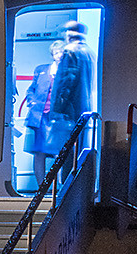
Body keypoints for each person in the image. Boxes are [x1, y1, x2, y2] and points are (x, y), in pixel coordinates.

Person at [43, 20, 94, 171]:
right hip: (83, 110)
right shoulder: (89, 52)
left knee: (66, 156)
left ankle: (65, 192)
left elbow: (66, 82)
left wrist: (57, 110)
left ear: (69, 34)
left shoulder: (70, 51)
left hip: (69, 113)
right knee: (80, 154)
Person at [21, 61, 57, 184]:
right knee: (39, 152)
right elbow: (31, 89)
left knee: (60, 152)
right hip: (40, 118)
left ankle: (59, 186)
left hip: (57, 119)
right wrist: (32, 102)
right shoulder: (42, 69)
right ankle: (41, 185)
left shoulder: (67, 72)